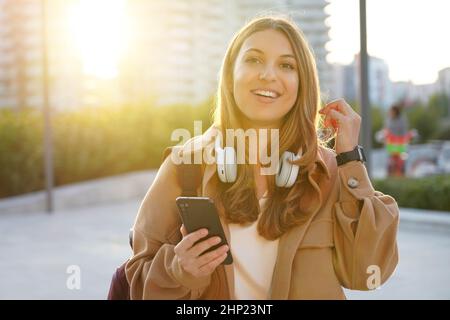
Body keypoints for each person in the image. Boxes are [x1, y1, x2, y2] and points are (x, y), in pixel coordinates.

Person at [125, 15, 399, 300]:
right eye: (254, 60)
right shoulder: (185, 165)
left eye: (286, 65)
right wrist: (178, 269)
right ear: (231, 76)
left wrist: (350, 159)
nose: (268, 74)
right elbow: (137, 284)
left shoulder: (329, 171)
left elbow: (368, 273)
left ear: (302, 84)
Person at [378, 103, 416, 177]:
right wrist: (384, 137)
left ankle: (402, 174)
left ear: (396, 111)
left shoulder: (402, 120)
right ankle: (390, 174)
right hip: (391, 145)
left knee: (402, 161)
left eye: (392, 111)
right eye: (390, 111)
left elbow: (405, 132)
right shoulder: (388, 120)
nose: (391, 113)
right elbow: (385, 130)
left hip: (400, 144)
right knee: (390, 162)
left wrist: (406, 138)